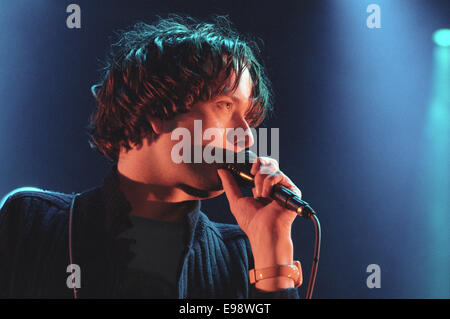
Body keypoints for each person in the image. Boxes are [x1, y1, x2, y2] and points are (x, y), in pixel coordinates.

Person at [0, 15, 304, 298]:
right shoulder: (31, 223)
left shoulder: (241, 255)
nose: (247, 136)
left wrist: (273, 251)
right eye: (225, 106)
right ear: (158, 108)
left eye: (248, 118)